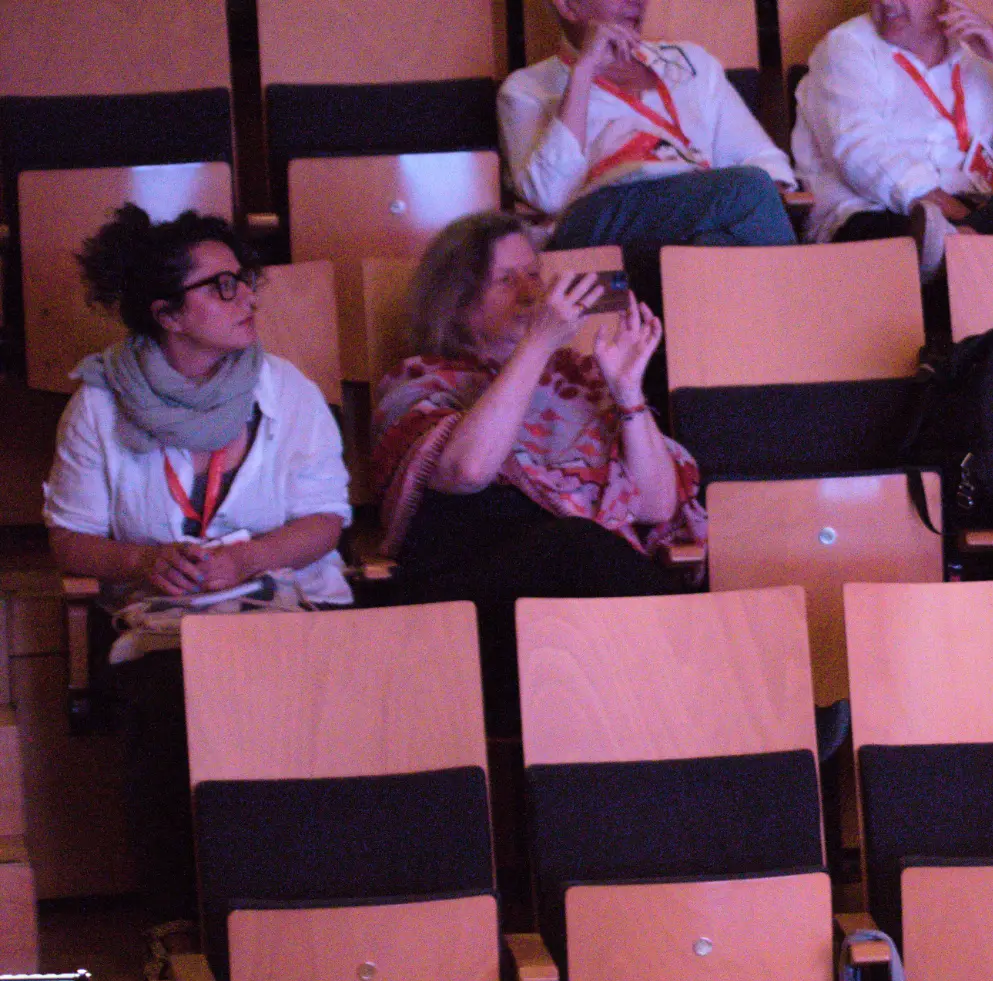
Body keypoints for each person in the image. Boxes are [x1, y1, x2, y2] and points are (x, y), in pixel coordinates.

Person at [44, 205, 353, 923]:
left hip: (288, 606)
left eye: (244, 279)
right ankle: (180, 923)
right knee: (168, 706)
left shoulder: (288, 389)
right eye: (221, 286)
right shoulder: (97, 406)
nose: (247, 297)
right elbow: (70, 540)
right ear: (168, 315)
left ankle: (303, 913)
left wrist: (248, 557)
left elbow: (326, 520)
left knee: (324, 698)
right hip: (166, 624)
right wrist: (145, 559)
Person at [373, 212, 705, 729]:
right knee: (577, 546)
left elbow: (657, 504)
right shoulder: (419, 382)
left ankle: (715, 696)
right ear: (457, 307)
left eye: (533, 274)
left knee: (585, 553)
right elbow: (467, 469)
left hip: (582, 605)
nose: (531, 292)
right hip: (471, 610)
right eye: (506, 280)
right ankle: (716, 684)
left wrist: (627, 394)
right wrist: (539, 343)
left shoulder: (581, 377)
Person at [500, 0, 797, 312]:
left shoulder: (691, 63)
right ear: (568, 6)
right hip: (595, 220)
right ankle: (796, 319)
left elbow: (762, 159)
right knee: (748, 190)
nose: (638, 1)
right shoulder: (527, 89)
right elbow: (549, 195)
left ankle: (720, 337)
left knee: (714, 247)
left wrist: (738, 210)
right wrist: (583, 71)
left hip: (692, 211)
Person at [793, 0, 993, 279]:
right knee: (907, 237)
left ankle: (963, 254)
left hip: (979, 214)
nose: (886, 1)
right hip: (879, 215)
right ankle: (972, 255)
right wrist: (956, 214)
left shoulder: (980, 55)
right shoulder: (846, 47)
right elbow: (860, 153)